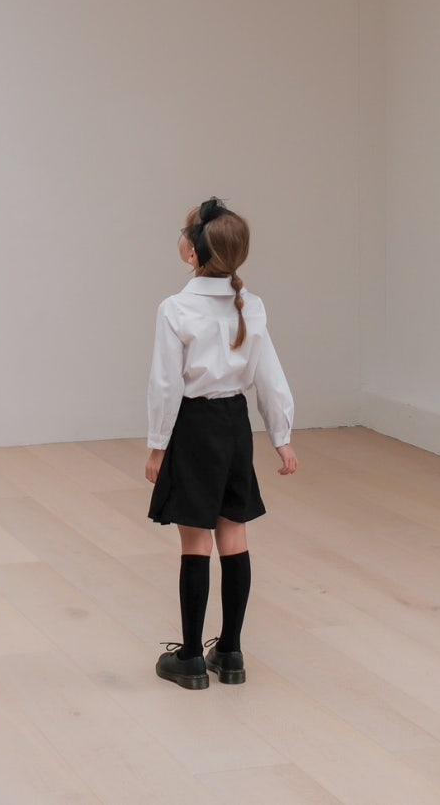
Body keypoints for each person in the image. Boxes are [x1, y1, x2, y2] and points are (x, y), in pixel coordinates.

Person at [145, 196, 297, 690]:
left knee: (196, 541)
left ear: (192, 253)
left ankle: (191, 657)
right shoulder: (251, 305)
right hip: (235, 427)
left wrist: (157, 446)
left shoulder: (176, 309)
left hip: (194, 427)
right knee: (234, 535)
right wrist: (281, 436)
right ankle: (230, 652)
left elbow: (166, 385)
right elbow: (269, 376)